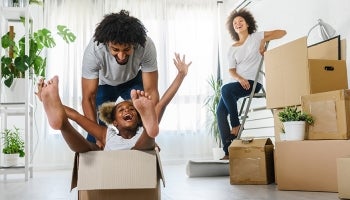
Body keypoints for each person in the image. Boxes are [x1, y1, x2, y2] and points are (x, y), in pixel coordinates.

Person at [36, 53, 191, 152]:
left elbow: (162, 102)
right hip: (108, 158)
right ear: (114, 122)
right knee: (88, 149)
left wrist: (181, 75)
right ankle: (62, 124)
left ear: (138, 118)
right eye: (121, 110)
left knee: (145, 142)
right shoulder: (106, 134)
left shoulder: (141, 131)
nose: (127, 111)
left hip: (141, 147)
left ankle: (151, 131)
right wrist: (50, 103)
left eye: (131, 109)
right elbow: (76, 116)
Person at [81, 9, 160, 145]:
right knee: (95, 133)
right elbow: (88, 98)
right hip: (104, 84)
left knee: (139, 120)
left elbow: (151, 92)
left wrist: (149, 136)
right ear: (107, 44)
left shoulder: (145, 46)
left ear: (134, 44)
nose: (121, 56)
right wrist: (98, 137)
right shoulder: (94, 51)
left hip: (133, 80)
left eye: (127, 49)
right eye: (115, 50)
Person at [217, 9, 286, 160]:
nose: (238, 24)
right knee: (220, 112)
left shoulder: (256, 37)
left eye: (241, 21)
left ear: (247, 23)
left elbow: (282, 32)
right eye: (235, 23)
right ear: (233, 28)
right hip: (238, 84)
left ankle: (235, 125)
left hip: (253, 82)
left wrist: (263, 41)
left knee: (225, 89)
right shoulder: (232, 48)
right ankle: (228, 151)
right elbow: (231, 70)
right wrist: (240, 78)